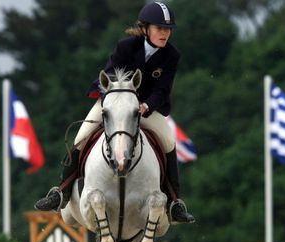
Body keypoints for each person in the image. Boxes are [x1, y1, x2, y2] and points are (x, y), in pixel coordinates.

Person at [34, 1, 195, 224]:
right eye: (160, 28)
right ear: (145, 28)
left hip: (146, 108)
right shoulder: (126, 46)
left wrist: (145, 106)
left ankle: (174, 202)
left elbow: (163, 89)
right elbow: (109, 75)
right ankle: (60, 191)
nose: (165, 33)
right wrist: (120, 100)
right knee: (82, 136)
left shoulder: (171, 55)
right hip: (113, 102)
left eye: (167, 29)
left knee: (168, 142)